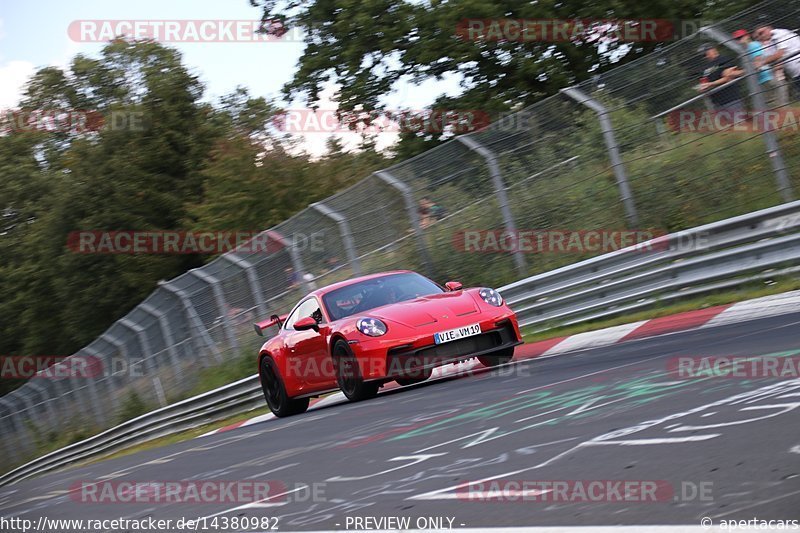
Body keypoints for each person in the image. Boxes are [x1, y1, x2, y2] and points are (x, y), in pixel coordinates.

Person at [732, 29, 777, 109]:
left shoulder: (753, 46)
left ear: (747, 36)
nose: (740, 40)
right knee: (768, 107)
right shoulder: (744, 51)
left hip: (766, 79)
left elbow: (757, 65)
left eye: (741, 37)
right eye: (737, 39)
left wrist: (738, 73)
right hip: (760, 81)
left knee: (773, 106)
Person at [754, 24, 800, 102]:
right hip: (796, 74)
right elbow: (771, 59)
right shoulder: (770, 42)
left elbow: (779, 54)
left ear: (769, 29)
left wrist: (762, 63)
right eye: (758, 35)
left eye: (762, 32)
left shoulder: (781, 33)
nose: (761, 36)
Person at [697, 44, 745, 112]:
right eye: (703, 54)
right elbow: (705, 82)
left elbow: (728, 77)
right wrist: (703, 87)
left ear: (714, 49)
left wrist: (712, 83)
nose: (705, 55)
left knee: (739, 122)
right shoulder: (705, 68)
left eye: (706, 52)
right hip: (717, 104)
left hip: (730, 99)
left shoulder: (723, 59)